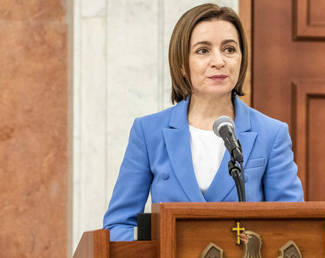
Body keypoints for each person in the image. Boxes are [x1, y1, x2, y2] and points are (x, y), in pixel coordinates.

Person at [103, 3, 304, 241]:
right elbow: (118, 225)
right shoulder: (148, 132)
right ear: (182, 65)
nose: (219, 61)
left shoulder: (271, 134)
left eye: (229, 49)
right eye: (203, 51)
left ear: (241, 59)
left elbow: (294, 225)